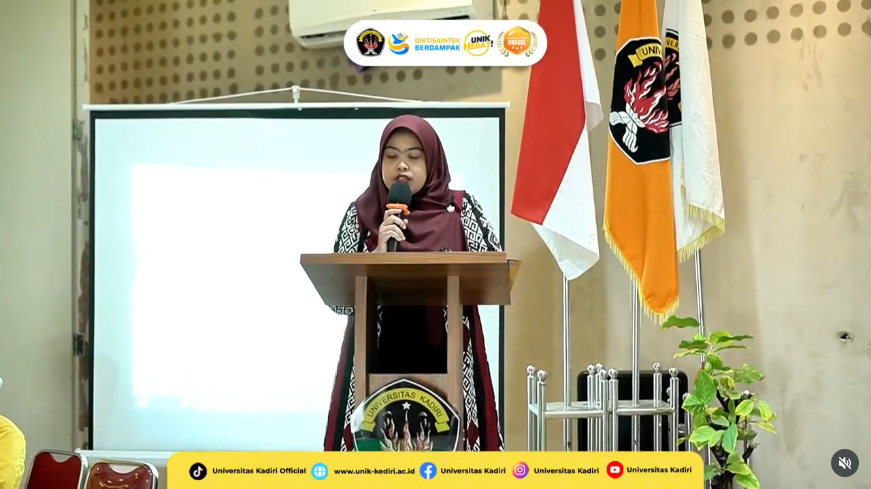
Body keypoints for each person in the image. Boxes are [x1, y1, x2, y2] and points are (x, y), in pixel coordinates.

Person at [323, 115, 504, 451]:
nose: (401, 165)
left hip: (449, 359)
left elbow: (495, 269)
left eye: (414, 156)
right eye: (391, 156)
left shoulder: (461, 210)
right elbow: (339, 301)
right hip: (374, 360)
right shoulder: (361, 214)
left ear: (432, 161)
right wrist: (376, 255)